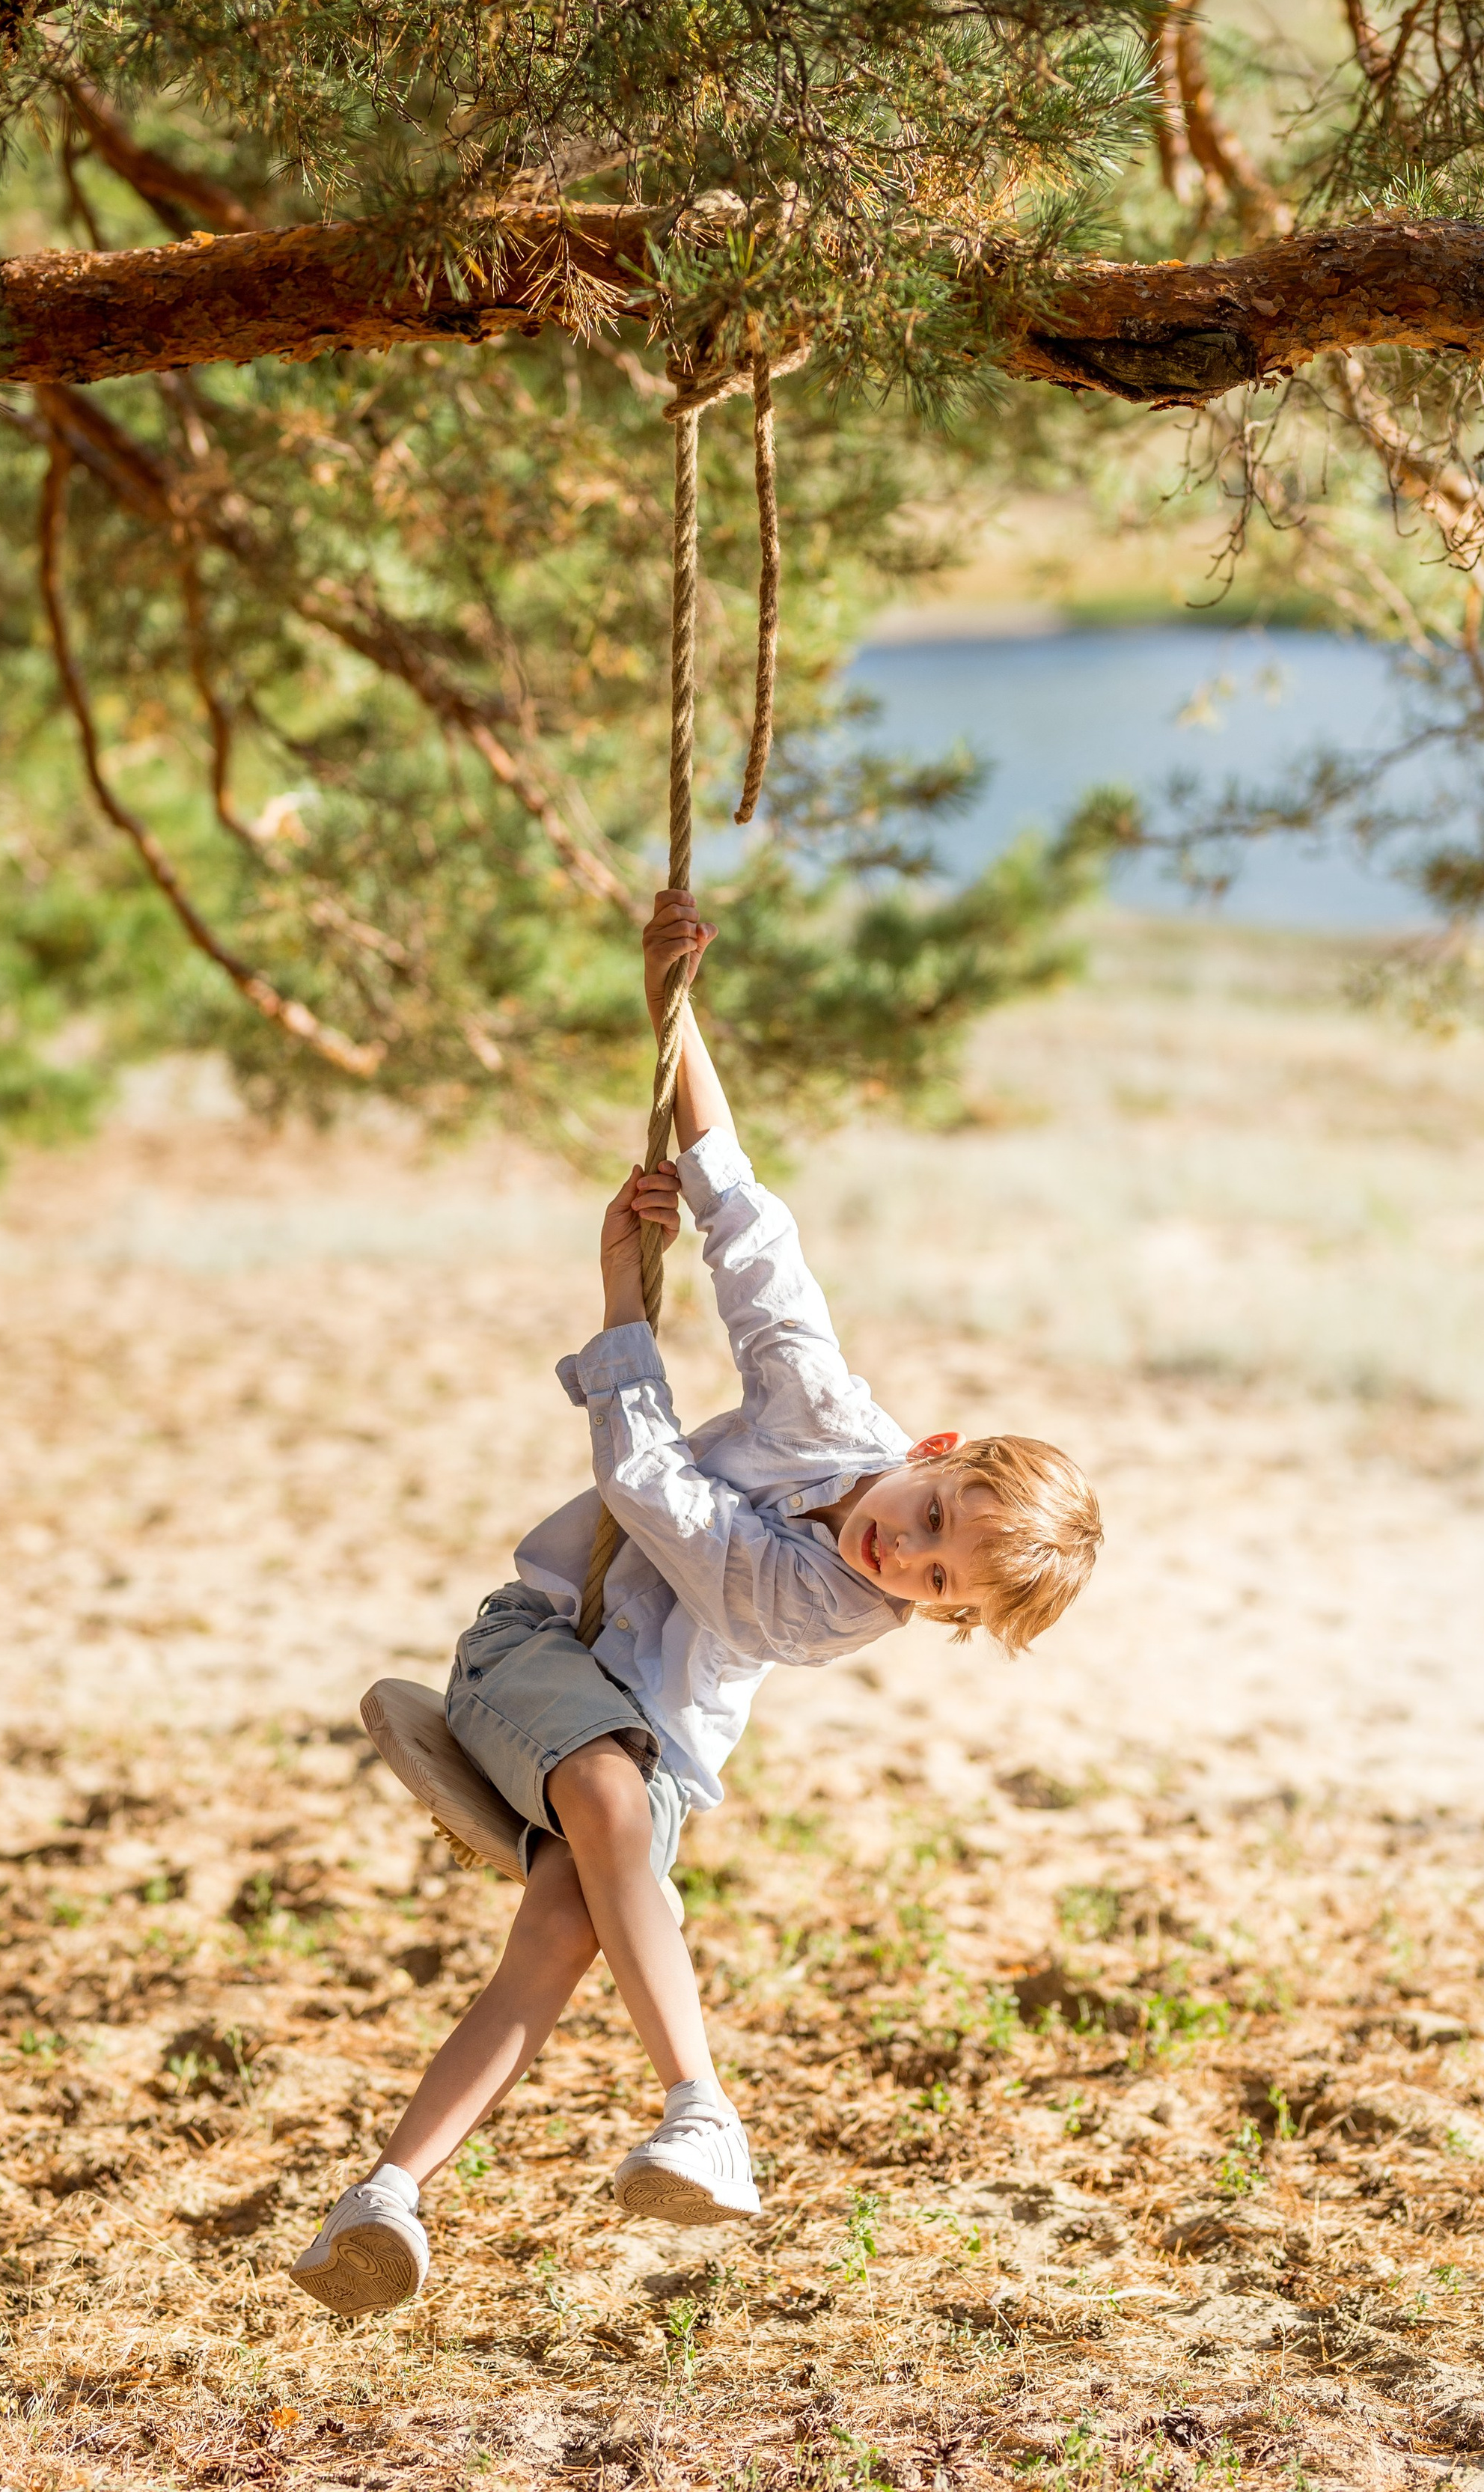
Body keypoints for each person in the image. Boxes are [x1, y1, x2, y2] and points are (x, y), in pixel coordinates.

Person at [290, 892, 1103, 2318]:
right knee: (603, 1806)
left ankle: (388, 2196)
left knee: (557, 1941)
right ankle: (703, 2105)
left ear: (944, 1615)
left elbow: (658, 1490)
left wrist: (620, 1298)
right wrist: (676, 1013)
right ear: (933, 1452)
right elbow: (749, 1226)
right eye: (924, 1519)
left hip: (653, 1740)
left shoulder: (829, 1612)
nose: (895, 1553)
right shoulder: (834, 1413)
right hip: (537, 1649)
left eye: (930, 1579)